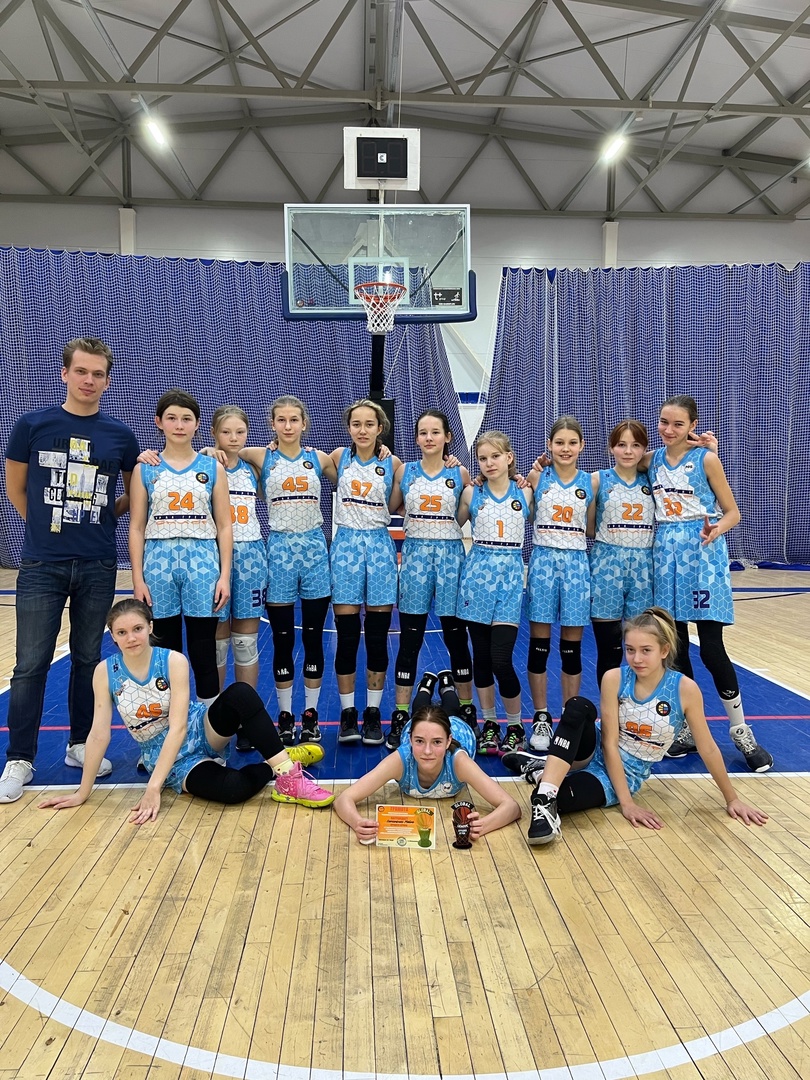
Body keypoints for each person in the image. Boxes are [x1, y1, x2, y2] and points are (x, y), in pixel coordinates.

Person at [38, 599, 334, 821]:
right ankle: (278, 763)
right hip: (167, 757)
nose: (131, 638)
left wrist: (152, 789)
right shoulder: (105, 672)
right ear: (113, 636)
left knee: (241, 694)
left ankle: (289, 778)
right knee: (233, 790)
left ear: (150, 627)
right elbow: (99, 734)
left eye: (138, 628)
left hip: (199, 729)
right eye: (122, 632)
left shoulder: (172, 661)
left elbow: (179, 727)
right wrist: (82, 792)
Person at [0, 337, 139, 804]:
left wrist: (99, 520)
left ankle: (81, 744)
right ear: (65, 373)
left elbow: (131, 494)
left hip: (98, 563)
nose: (89, 380)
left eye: (98, 374)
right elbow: (16, 488)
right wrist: (45, 527)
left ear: (107, 380)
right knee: (30, 664)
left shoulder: (120, 435)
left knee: (87, 659)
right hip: (42, 564)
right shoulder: (32, 425)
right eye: (81, 371)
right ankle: (19, 758)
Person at [501, 608, 768, 845]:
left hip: (623, 774)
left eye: (645, 650)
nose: (636, 658)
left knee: (565, 800)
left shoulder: (684, 689)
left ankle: (541, 770)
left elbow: (708, 748)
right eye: (630, 650)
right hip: (592, 751)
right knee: (578, 706)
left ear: (664, 650)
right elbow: (609, 743)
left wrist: (732, 799)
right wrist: (627, 804)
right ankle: (545, 795)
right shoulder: (614, 678)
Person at [648, 395, 773, 772]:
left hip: (702, 554)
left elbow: (733, 512)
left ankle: (741, 731)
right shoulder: (651, 460)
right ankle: (687, 729)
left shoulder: (706, 459)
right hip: (665, 554)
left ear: (693, 425)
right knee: (676, 648)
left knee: (712, 648)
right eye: (664, 422)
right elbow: (618, 463)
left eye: (678, 424)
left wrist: (717, 528)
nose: (669, 430)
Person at [239, 396, 337, 746]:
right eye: (281, 419)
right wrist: (210, 450)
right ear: (272, 424)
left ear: (304, 423)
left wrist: (384, 452)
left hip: (314, 550)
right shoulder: (260, 455)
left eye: (294, 419)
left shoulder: (320, 459)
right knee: (282, 640)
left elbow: (356, 468)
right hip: (279, 549)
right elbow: (221, 448)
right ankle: (284, 715)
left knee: (313, 638)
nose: (288, 425)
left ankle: (310, 715)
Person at [128, 389, 233, 710]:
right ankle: (170, 726)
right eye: (171, 418)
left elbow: (225, 525)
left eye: (186, 418)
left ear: (197, 424)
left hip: (202, 563)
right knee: (165, 652)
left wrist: (224, 575)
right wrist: (137, 579)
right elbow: (136, 527)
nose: (179, 425)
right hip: (158, 564)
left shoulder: (212, 468)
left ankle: (208, 728)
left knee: (203, 650)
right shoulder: (145, 469)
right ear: (159, 422)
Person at [333, 672, 520, 843]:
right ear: (410, 740)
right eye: (419, 741)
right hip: (423, 729)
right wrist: (357, 823)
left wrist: (484, 825)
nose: (428, 751)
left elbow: (512, 807)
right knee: (420, 711)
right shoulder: (401, 759)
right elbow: (343, 799)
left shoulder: (458, 761)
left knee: (451, 710)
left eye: (437, 742)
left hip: (459, 730)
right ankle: (425, 686)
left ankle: (447, 685)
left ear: (448, 741)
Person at [389, 409, 474, 750]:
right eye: (422, 432)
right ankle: (400, 713)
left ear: (447, 437)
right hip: (415, 558)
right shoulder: (405, 471)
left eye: (435, 432)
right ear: (416, 438)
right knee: (410, 640)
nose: (428, 438)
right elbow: (393, 505)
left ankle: (466, 709)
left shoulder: (460, 472)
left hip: (451, 557)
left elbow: (466, 512)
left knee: (456, 638)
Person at [329, 399, 403, 747]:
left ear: (380, 428)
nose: (362, 430)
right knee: (346, 637)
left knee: (375, 637)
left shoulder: (393, 463)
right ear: (349, 428)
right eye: (356, 424)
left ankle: (373, 712)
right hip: (345, 547)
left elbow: (399, 502)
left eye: (369, 424)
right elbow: (290, 454)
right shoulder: (337, 457)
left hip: (378, 545)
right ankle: (348, 713)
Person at [456, 431, 532, 756]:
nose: (489, 463)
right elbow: (450, 523)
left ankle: (515, 726)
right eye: (483, 458)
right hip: (477, 578)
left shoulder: (526, 491)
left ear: (509, 457)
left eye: (495, 456)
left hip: (510, 580)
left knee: (502, 659)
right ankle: (489, 723)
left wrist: (537, 468)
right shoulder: (471, 492)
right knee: (483, 660)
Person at [525, 416, 593, 755]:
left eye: (572, 443)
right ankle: (541, 716)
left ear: (581, 446)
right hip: (543, 561)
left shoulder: (592, 482)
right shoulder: (537, 477)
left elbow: (592, 526)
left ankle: (570, 716)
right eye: (559, 442)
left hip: (577, 563)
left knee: (571, 648)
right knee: (539, 645)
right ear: (549, 445)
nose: (565, 449)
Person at [589, 420, 655, 687]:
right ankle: (609, 707)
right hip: (607, 566)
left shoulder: (653, 479)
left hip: (643, 569)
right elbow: (589, 527)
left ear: (645, 449)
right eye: (621, 445)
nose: (628, 451)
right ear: (611, 448)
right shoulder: (597, 480)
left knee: (643, 649)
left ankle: (641, 705)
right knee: (610, 650)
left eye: (636, 445)